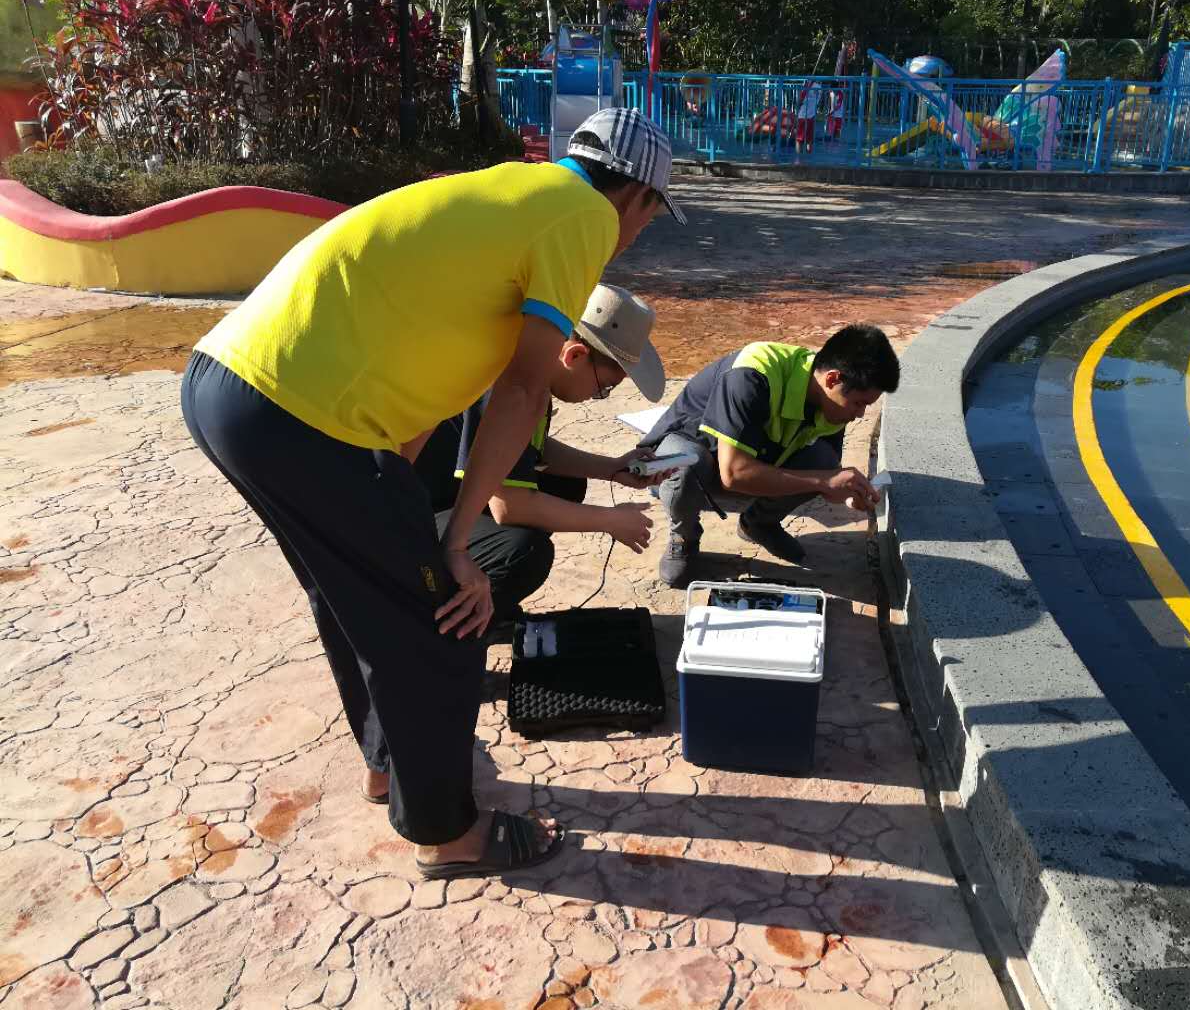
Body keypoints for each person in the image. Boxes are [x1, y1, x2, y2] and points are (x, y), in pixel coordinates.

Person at [179, 107, 683, 880]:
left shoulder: (512, 197)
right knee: (445, 618)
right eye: (651, 216)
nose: (640, 233)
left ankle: (391, 767)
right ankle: (449, 835)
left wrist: (418, 519)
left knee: (354, 595)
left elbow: (420, 397)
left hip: (231, 385)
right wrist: (454, 545)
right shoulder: (583, 215)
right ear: (637, 196)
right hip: (297, 410)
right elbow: (521, 392)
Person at [417, 284, 672, 625]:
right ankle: (450, 625)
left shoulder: (532, 370)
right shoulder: (509, 384)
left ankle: (494, 594)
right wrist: (610, 520)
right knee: (525, 552)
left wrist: (612, 468)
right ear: (575, 356)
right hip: (414, 516)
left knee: (566, 485)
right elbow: (509, 507)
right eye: (603, 388)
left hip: (448, 493)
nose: (599, 396)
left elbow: (530, 450)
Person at [640, 324, 901, 588]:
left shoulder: (827, 398)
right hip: (690, 460)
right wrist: (823, 482)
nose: (860, 415)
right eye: (858, 403)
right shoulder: (752, 375)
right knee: (683, 467)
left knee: (824, 462)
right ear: (833, 379)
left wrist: (844, 493)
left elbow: (826, 472)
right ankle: (684, 538)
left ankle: (759, 523)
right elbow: (734, 475)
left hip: (749, 459)